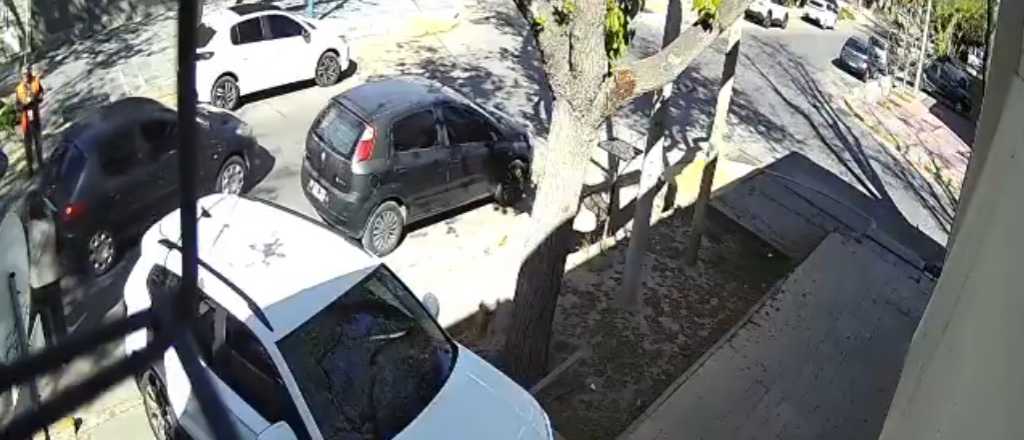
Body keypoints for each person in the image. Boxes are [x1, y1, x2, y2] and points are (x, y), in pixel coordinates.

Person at [26, 195, 65, 344]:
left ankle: (50, 353)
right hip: (53, 276)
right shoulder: (50, 224)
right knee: (58, 317)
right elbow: (60, 246)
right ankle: (65, 352)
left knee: (44, 323)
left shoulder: (30, 229)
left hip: (37, 283)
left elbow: (32, 257)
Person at [15, 64, 44, 176]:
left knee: (38, 141)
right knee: (28, 145)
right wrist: (24, 104)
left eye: (27, 74)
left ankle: (41, 162)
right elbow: (17, 106)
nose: (26, 76)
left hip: (35, 117)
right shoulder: (19, 89)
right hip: (26, 120)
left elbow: (41, 94)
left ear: (30, 73)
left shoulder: (35, 82)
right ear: (21, 76)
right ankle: (30, 168)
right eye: (24, 74)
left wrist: (36, 98)